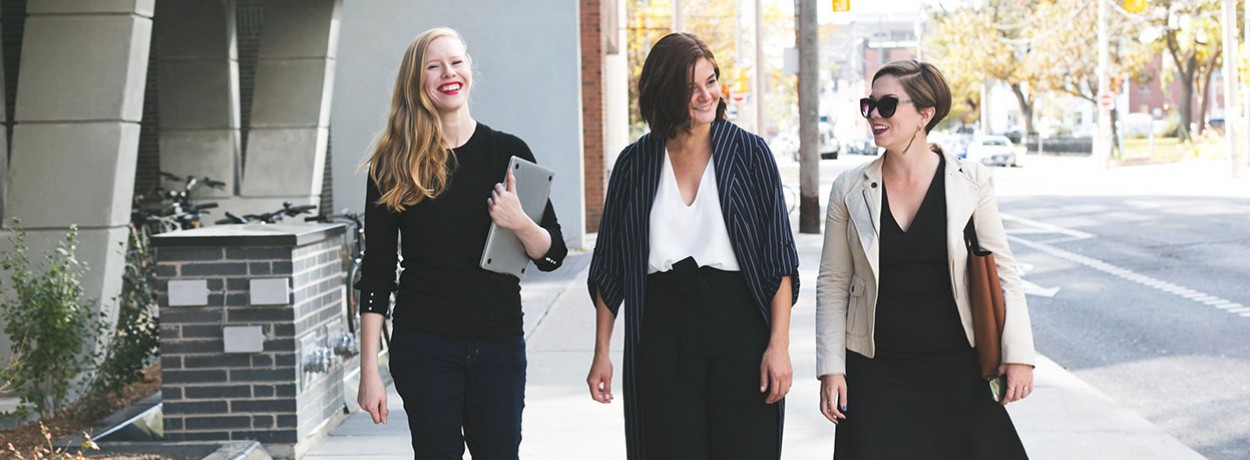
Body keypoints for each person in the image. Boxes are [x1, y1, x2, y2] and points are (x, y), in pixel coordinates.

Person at [353, 27, 567, 459]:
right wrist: (368, 371)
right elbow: (377, 271)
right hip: (424, 344)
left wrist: (519, 221)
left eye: (455, 62)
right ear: (418, 83)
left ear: (469, 69)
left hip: (498, 342)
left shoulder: (507, 153)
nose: (447, 73)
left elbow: (553, 254)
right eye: (433, 66)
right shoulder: (394, 164)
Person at [585, 32, 800, 459]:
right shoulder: (635, 163)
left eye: (711, 80)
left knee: (746, 447)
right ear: (665, 94)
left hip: (740, 322)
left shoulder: (750, 153)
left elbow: (779, 259)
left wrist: (779, 346)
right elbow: (609, 266)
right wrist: (602, 354)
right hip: (662, 326)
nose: (707, 96)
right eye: (690, 88)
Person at [814, 59, 1035, 459]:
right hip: (876, 370)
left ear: (924, 114)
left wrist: (1018, 355)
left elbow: (1004, 273)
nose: (874, 116)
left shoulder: (970, 181)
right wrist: (831, 368)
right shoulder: (850, 188)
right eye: (869, 105)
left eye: (887, 105)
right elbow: (831, 283)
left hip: (957, 366)